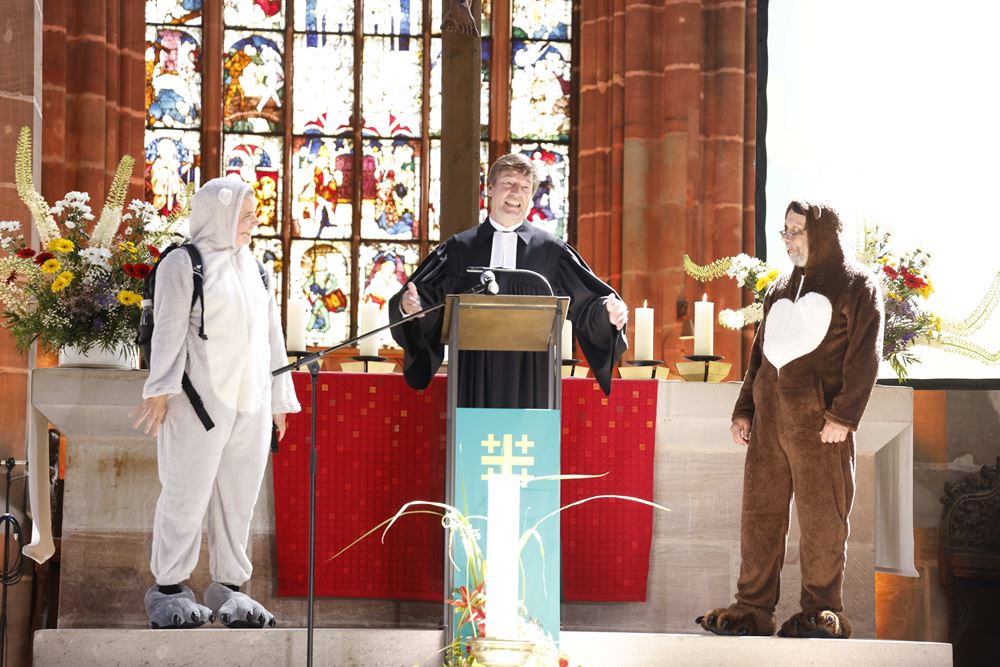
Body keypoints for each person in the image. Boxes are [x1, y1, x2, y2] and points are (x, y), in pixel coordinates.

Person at [697, 201, 883, 639]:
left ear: (821, 234)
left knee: (823, 520)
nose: (788, 239)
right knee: (758, 517)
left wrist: (843, 416)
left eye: (796, 231)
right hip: (768, 427)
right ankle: (753, 609)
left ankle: (823, 610)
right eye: (784, 231)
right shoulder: (778, 288)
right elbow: (759, 359)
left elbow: (865, 356)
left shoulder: (856, 284)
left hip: (822, 427)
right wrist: (745, 410)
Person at [132, 175, 300, 629]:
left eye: (253, 217)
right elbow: (168, 330)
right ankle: (169, 589)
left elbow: (272, 339)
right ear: (218, 213)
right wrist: (160, 390)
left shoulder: (256, 267)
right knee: (185, 494)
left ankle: (230, 590)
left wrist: (281, 401)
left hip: (251, 404)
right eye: (245, 216)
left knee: (238, 501)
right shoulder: (183, 263)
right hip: (197, 404)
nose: (252, 224)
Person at [388, 153, 628, 408]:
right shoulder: (459, 249)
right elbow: (425, 298)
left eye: (525, 187)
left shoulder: (551, 252)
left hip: (533, 377)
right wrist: (410, 307)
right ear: (490, 188)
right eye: (508, 183)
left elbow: (588, 301)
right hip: (472, 376)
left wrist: (607, 312)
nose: (516, 193)